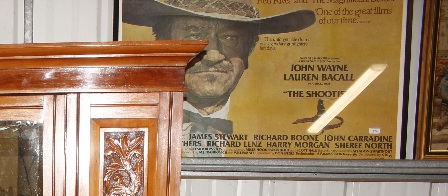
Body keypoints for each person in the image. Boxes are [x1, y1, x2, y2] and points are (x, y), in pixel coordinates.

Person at [122, 0, 315, 154]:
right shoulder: (126, 128)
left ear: (249, 50)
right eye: (194, 35)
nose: (213, 55)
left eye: (230, 38)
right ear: (166, 48)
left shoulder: (279, 131)